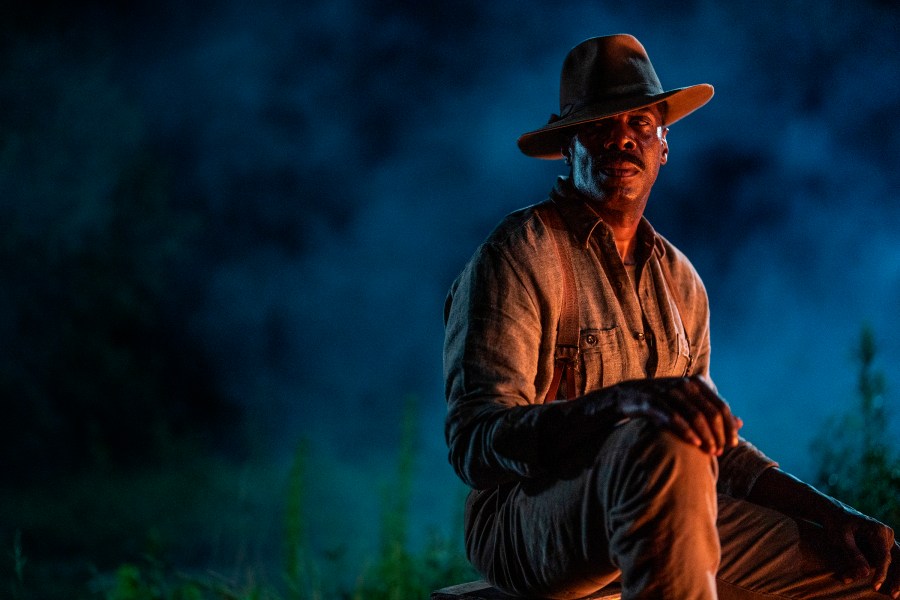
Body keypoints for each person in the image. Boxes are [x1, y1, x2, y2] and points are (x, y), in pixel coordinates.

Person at [442, 34, 900, 600]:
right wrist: (620, 405)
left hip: (664, 503)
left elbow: (713, 447)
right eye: (599, 124)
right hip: (528, 521)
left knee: (864, 574)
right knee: (655, 445)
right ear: (568, 147)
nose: (621, 138)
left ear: (664, 146)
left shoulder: (681, 283)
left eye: (640, 122)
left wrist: (831, 515)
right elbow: (473, 442)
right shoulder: (519, 254)